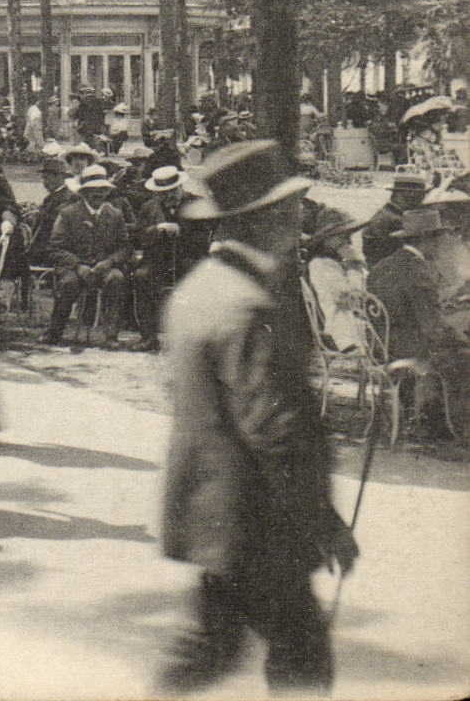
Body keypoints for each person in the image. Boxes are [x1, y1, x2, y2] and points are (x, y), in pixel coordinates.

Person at [156, 140, 358, 695]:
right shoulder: (247, 304)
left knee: (208, 653)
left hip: (214, 513)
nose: (298, 219)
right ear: (263, 219)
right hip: (258, 519)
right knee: (302, 656)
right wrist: (324, 521)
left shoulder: (195, 292)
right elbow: (273, 428)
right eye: (289, 209)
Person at [367, 208, 470, 439]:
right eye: (438, 238)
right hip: (408, 349)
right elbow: (433, 329)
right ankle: (450, 428)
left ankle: (430, 416)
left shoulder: (381, 267)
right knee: (464, 357)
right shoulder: (418, 272)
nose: (442, 244)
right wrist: (462, 337)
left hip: (379, 346)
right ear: (425, 240)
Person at [43, 164, 132, 348]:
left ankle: (111, 336)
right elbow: (55, 248)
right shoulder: (68, 213)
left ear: (108, 192)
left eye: (102, 190)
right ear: (83, 192)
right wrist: (78, 265)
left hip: (104, 269)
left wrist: (109, 262)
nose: (98, 195)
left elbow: (125, 247)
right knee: (69, 284)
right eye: (92, 191)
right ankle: (54, 332)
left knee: (116, 278)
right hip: (74, 269)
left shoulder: (115, 214)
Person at [132, 167, 211, 352]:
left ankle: (194, 341)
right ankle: (148, 337)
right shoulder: (148, 208)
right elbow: (139, 237)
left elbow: (204, 238)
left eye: (171, 192)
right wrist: (156, 229)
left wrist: (181, 231)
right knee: (141, 276)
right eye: (162, 194)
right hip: (157, 261)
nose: (167, 197)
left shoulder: (197, 204)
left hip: (188, 258)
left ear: (180, 187)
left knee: (198, 280)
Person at [362, 174, 429, 265]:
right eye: (417, 199)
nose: (419, 204)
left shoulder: (389, 212)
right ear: (399, 195)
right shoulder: (392, 219)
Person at [26, 157, 74, 268]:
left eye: (47, 178)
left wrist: (36, 217)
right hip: (42, 246)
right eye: (43, 178)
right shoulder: (50, 197)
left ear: (59, 177)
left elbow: (55, 220)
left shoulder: (68, 197)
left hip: (53, 248)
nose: (45, 183)